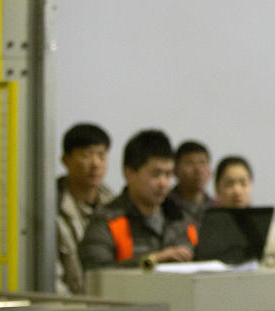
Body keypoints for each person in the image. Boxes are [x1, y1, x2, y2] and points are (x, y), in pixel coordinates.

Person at [80, 130, 197, 270]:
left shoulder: (182, 219)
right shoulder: (106, 221)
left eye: (168, 174)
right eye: (156, 174)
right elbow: (96, 274)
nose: (163, 183)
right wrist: (152, 261)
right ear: (129, 173)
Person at [55, 123, 116, 295]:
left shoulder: (116, 208)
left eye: (101, 155)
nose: (95, 163)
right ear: (65, 160)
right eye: (86, 155)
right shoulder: (52, 208)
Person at [214, 156, 275, 267]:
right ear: (217, 188)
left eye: (243, 183)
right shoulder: (209, 231)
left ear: (251, 185)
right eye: (229, 184)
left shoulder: (273, 232)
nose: (237, 191)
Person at [168, 140, 214, 224]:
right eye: (190, 163)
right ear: (175, 170)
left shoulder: (216, 208)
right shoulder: (164, 206)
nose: (198, 170)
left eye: (202, 162)